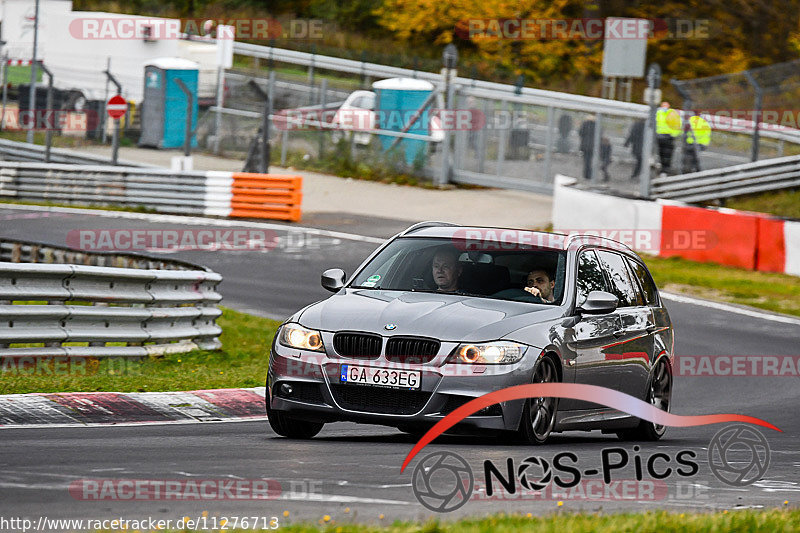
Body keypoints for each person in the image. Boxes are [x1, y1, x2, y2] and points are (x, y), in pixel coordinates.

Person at [655, 101, 681, 174]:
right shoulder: (659, 113)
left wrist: (673, 135)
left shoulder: (671, 114)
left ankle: (665, 169)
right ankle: (664, 169)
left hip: (665, 136)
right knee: (663, 153)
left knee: (665, 153)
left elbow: (677, 125)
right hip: (662, 136)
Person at [578, 115, 596, 180]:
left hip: (585, 145)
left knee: (586, 160)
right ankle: (590, 174)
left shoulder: (584, 124)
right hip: (593, 145)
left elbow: (580, 133)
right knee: (590, 160)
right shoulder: (596, 125)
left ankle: (586, 174)